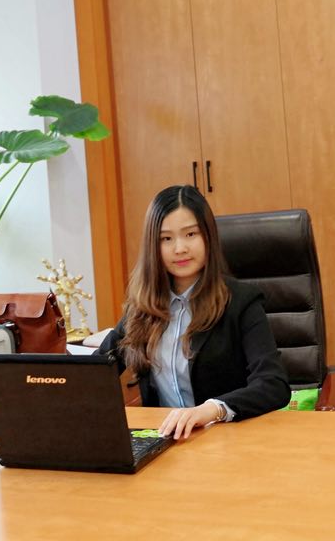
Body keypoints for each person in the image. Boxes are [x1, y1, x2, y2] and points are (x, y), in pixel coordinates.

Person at [97, 184, 290, 440]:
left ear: (208, 236)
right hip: (165, 440)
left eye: (190, 234)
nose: (180, 248)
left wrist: (212, 409)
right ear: (153, 246)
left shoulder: (241, 302)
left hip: (227, 439)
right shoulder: (143, 307)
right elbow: (96, 372)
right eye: (166, 239)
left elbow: (273, 383)